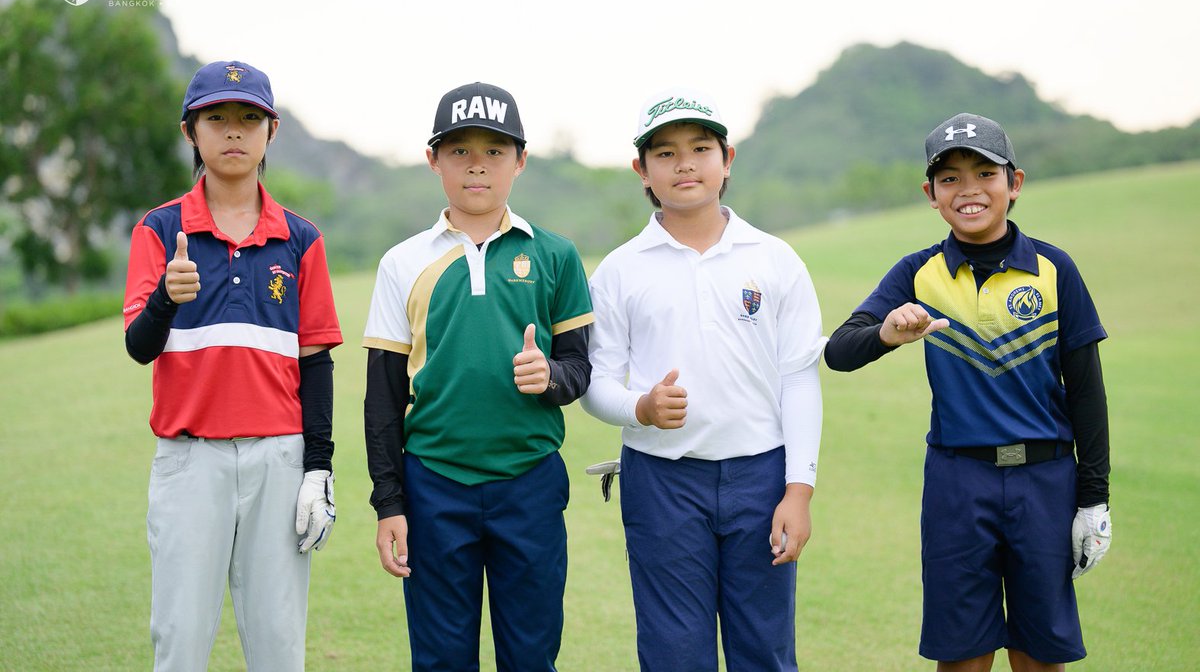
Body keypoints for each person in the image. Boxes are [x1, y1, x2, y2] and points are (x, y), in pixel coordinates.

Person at [823, 113, 1112, 672]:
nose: (969, 190)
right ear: (930, 194)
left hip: (1045, 480)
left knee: (1040, 651)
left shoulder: (1055, 269)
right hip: (958, 482)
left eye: (985, 173)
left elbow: (1087, 391)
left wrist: (1094, 497)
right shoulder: (917, 272)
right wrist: (887, 333)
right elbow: (840, 350)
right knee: (962, 652)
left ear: (1015, 184)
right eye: (950, 178)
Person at [584, 87, 826, 672]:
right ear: (642, 171)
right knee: (674, 654)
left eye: (699, 148)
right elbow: (595, 382)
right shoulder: (620, 269)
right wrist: (640, 407)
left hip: (761, 475)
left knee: (763, 652)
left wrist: (799, 490)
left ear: (727, 160)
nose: (684, 163)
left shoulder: (774, 259)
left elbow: (799, 379)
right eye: (664, 154)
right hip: (662, 482)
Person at [363, 82, 594, 672]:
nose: (477, 166)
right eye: (460, 151)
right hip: (434, 484)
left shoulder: (556, 255)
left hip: (530, 483)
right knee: (441, 660)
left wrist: (550, 377)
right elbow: (383, 397)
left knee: (532, 657)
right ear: (433, 160)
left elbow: (579, 368)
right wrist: (390, 501)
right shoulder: (402, 262)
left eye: (494, 151)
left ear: (519, 160)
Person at [122, 60, 343, 671]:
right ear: (191, 131)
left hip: (279, 458)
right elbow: (140, 346)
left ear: (271, 132)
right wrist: (168, 295)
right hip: (190, 459)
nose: (234, 131)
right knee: (181, 641)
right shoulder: (160, 229)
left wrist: (318, 468)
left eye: (249, 118)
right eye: (216, 118)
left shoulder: (301, 240)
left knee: (277, 647)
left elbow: (316, 358)